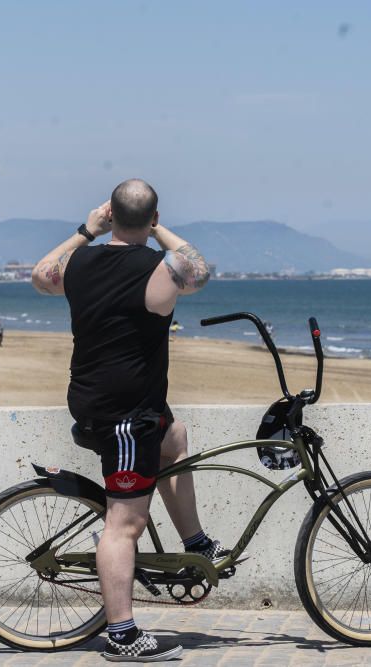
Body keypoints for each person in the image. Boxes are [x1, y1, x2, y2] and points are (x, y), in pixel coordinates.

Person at [33, 179, 232, 662]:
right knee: (126, 524)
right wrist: (161, 233)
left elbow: (41, 274)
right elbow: (199, 268)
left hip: (96, 399)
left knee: (175, 435)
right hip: (124, 416)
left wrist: (85, 230)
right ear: (153, 217)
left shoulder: (80, 262)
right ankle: (121, 634)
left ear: (110, 216)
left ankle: (196, 542)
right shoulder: (156, 270)